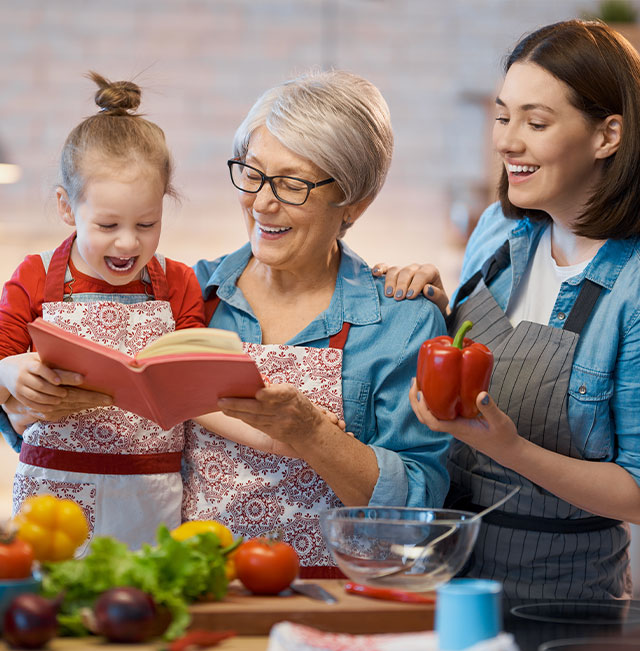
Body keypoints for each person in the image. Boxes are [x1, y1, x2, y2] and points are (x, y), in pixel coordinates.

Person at [1, 70, 450, 575]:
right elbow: (35, 424)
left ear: (355, 203)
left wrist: (309, 434)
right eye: (253, 174)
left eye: (292, 184)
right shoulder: (187, 295)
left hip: (338, 598)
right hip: (195, 588)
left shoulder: (402, 323)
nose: (262, 202)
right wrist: (31, 400)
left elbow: (418, 511)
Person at [377, 19, 640, 600]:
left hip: (562, 596)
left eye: (536, 122)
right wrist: (439, 309)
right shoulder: (500, 229)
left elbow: (638, 492)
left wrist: (508, 446)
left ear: (608, 136)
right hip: (438, 568)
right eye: (503, 116)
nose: (506, 141)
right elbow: (478, 355)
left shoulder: (632, 287)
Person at [0, 72, 254, 550]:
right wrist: (11, 372)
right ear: (66, 206)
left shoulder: (177, 282)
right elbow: (1, 363)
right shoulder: (34, 276)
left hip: (152, 494)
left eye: (147, 223)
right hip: (52, 500)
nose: (127, 242)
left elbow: (195, 380)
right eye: (108, 224)